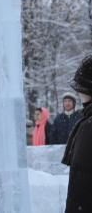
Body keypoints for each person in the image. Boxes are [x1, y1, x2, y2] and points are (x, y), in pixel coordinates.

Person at [62, 54, 92, 212]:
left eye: (82, 88)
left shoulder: (88, 126)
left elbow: (82, 185)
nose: (80, 93)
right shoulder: (86, 121)